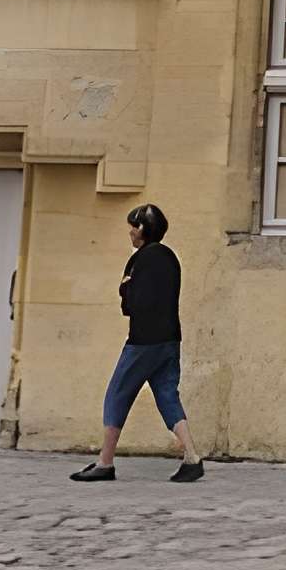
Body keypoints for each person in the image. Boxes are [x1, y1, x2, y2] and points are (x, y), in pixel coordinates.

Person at [73, 204, 202, 483]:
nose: (130, 231)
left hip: (144, 341)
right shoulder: (171, 257)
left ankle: (105, 463)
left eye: (133, 226)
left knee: (117, 394)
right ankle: (192, 457)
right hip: (170, 339)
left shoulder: (142, 258)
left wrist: (125, 289)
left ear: (142, 229)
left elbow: (135, 304)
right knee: (167, 395)